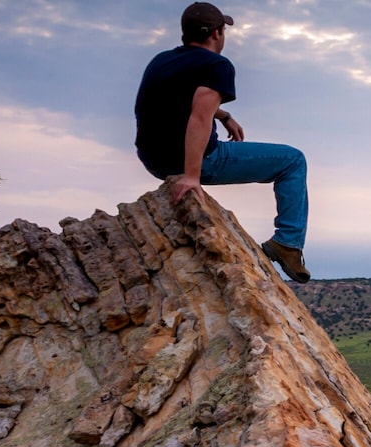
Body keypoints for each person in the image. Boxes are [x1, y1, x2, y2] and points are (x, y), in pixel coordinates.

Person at [134, 2, 312, 283]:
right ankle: (287, 243)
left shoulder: (162, 60)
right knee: (293, 160)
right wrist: (191, 176)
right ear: (217, 33)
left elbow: (174, 99)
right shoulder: (217, 65)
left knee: (286, 158)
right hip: (200, 160)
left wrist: (224, 115)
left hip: (152, 159)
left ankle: (287, 243)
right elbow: (199, 118)